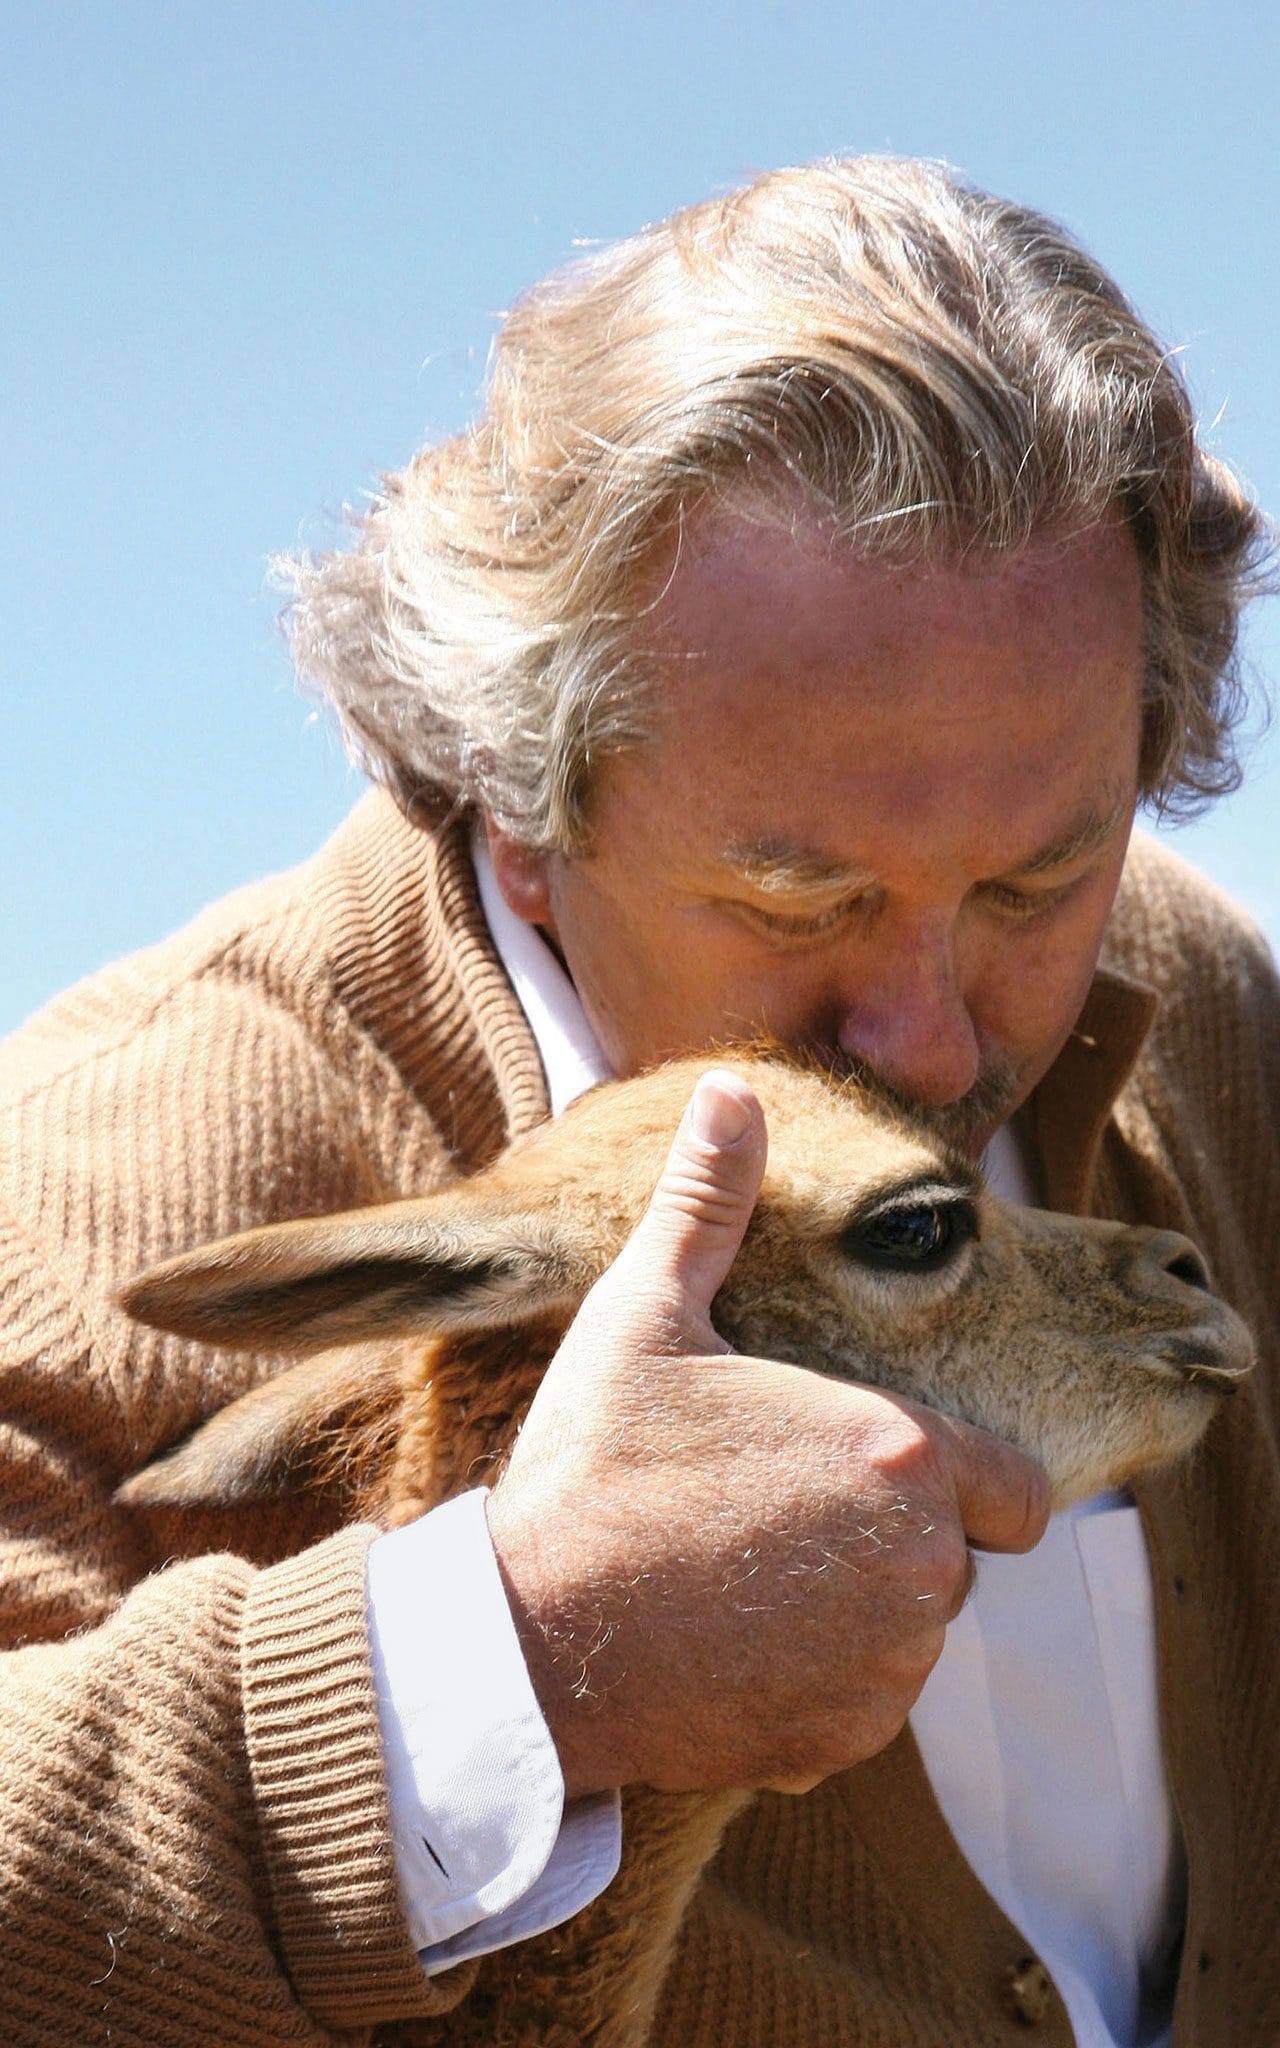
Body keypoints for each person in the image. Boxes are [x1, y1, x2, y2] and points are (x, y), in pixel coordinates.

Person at [0, 156, 1276, 2048]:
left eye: (1037, 881)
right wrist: (513, 1662)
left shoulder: (1204, 1005)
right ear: (517, 803)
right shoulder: (95, 1197)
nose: (933, 1043)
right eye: (798, 899)